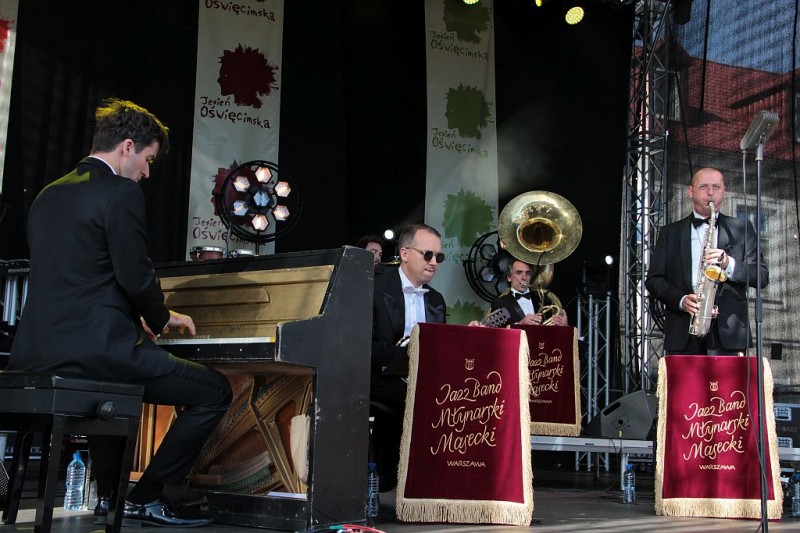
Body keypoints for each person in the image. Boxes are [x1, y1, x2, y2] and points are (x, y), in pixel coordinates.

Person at [8, 98, 232, 527]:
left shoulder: (48, 194)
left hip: (37, 352)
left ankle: (110, 498)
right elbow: (135, 274)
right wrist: (161, 317)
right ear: (128, 146)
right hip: (99, 352)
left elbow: (82, 276)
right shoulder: (120, 192)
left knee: (114, 395)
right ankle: (145, 496)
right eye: (148, 160)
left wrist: (132, 319)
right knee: (215, 391)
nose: (147, 173)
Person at [645, 167, 768, 355]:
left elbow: (761, 276)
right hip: (683, 331)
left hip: (729, 335)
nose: (710, 193)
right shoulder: (670, 233)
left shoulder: (743, 228)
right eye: (703, 187)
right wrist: (681, 300)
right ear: (690, 191)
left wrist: (728, 263)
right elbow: (654, 280)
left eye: (716, 187)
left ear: (724, 191)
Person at [370, 223, 446, 491]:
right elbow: (365, 346)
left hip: (418, 381)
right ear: (404, 253)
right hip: (378, 378)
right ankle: (411, 479)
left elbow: (438, 351)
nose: (434, 262)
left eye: (439, 256)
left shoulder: (436, 299)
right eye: (428, 254)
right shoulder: (375, 289)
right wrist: (406, 355)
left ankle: (445, 478)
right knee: (423, 399)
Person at [490, 259, 569, 327]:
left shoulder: (544, 299)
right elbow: (496, 334)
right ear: (509, 277)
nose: (524, 277)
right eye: (519, 272)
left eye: (527, 273)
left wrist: (564, 327)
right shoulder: (499, 303)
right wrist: (520, 324)